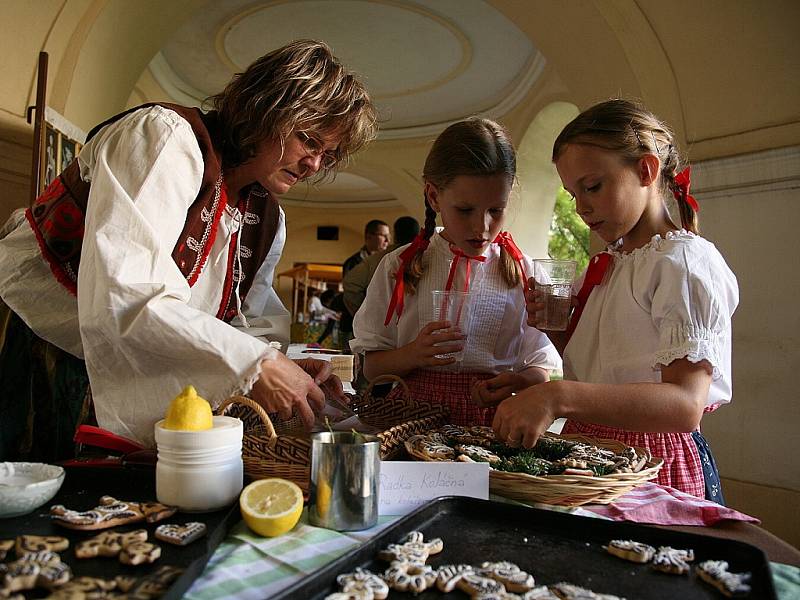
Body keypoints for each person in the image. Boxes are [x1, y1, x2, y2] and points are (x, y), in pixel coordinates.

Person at [0, 40, 378, 459]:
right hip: (48, 341)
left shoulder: (267, 216)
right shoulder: (164, 137)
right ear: (268, 109)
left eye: (328, 155)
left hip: (137, 364)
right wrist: (256, 365)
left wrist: (276, 362)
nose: (314, 165)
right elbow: (127, 294)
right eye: (308, 140)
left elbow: (244, 322)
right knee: (39, 487)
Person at [493, 99, 739, 503]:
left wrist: (557, 395)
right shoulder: (609, 264)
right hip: (591, 455)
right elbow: (608, 367)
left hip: (651, 462)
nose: (581, 207)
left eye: (592, 187)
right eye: (573, 194)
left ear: (646, 170)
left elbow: (684, 404)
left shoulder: (684, 262)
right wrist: (556, 330)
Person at [350, 118, 561, 426]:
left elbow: (540, 363)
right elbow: (370, 367)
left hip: (491, 422)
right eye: (465, 210)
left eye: (496, 210)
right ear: (434, 197)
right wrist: (413, 354)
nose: (482, 227)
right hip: (410, 417)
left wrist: (518, 381)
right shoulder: (402, 266)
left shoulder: (523, 273)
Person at [342, 216, 420, 318]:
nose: (387, 240)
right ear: (368, 236)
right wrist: (366, 314)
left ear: (396, 236)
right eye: (383, 235)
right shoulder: (363, 261)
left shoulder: (381, 258)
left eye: (388, 235)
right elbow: (351, 284)